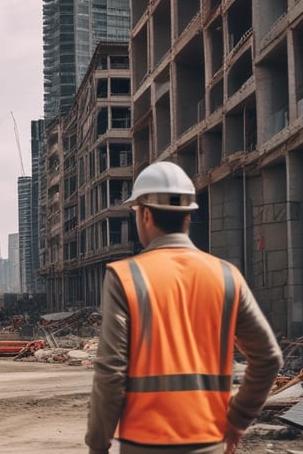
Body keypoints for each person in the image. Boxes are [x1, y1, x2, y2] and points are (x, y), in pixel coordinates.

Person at [85, 161, 282, 454]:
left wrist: (97, 445)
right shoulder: (228, 276)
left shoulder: (126, 277)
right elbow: (268, 358)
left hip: (144, 444)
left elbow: (111, 372)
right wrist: (238, 419)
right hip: (210, 443)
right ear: (188, 218)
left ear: (146, 214)